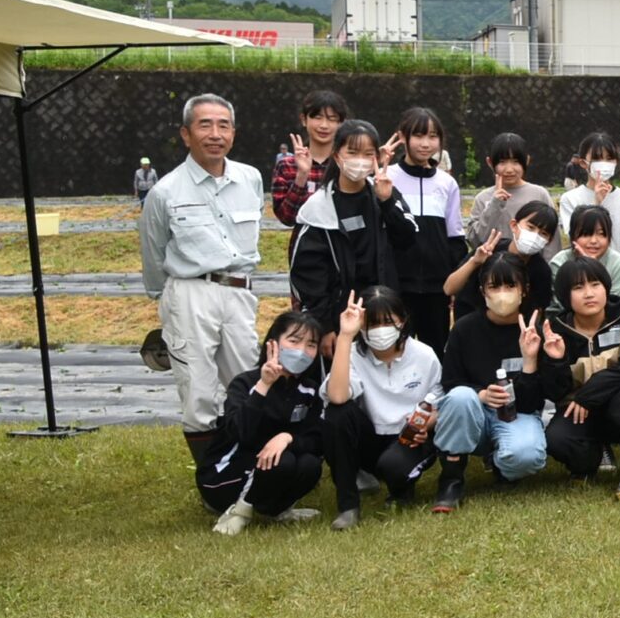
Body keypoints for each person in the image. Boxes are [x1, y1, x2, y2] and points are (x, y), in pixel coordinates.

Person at [139, 93, 265, 463]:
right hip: (190, 294)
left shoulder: (251, 178)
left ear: (233, 133)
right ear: (185, 134)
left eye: (223, 125)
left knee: (249, 380)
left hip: (239, 293)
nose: (215, 134)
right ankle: (214, 480)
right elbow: (153, 252)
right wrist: (167, 300)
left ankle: (251, 471)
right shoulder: (164, 192)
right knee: (198, 390)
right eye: (204, 125)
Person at [431, 255, 557, 512]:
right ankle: (451, 478)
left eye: (510, 286)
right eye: (494, 286)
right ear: (482, 291)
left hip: (516, 413)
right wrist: (481, 395)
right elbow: (451, 383)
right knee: (460, 397)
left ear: (524, 290)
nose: (502, 294)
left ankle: (502, 464)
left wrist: (529, 361)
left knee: (528, 456)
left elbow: (533, 402)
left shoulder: (534, 331)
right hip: (472, 414)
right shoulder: (464, 329)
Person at [323, 287, 443, 530]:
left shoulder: (424, 355)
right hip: (372, 436)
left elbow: (440, 404)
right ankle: (348, 506)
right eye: (373, 323)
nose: (381, 330)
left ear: (402, 321)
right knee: (337, 413)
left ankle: (401, 490)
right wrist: (345, 336)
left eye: (388, 322)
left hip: (410, 436)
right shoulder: (352, 354)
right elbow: (337, 396)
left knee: (394, 466)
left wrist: (427, 424)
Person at [197, 310, 326, 535]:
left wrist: (287, 438)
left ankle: (277, 511)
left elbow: (316, 439)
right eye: (294, 341)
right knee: (283, 461)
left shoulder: (310, 390)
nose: (302, 351)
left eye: (311, 345)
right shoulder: (246, 383)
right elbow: (240, 432)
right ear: (273, 343)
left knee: (310, 464)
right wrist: (264, 385)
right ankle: (239, 512)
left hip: (269, 468)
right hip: (223, 479)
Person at [287, 120, 418, 333]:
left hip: (385, 312)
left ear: (377, 158)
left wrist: (386, 203)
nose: (360, 161)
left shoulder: (384, 194)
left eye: (368, 154)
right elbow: (308, 275)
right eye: (353, 152)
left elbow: (408, 239)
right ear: (337, 155)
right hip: (340, 318)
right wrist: (325, 327)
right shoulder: (319, 208)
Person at [541, 256, 620, 498]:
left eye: (595, 284)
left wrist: (588, 394)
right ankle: (586, 464)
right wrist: (556, 360)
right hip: (579, 411)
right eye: (578, 287)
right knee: (556, 438)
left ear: (606, 287)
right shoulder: (556, 328)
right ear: (565, 295)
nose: (589, 294)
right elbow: (555, 392)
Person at [387, 107, 466, 352]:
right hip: (397, 285)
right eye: (418, 135)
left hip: (436, 288)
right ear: (403, 137)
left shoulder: (447, 183)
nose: (425, 144)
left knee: (436, 350)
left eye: (433, 136)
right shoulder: (387, 177)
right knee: (396, 349)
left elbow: (455, 237)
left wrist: (453, 283)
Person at [447, 200, 557, 320]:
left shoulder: (541, 271)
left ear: (549, 240)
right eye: (530, 228)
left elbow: (538, 312)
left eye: (543, 233)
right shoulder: (489, 250)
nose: (535, 236)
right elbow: (449, 288)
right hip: (470, 319)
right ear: (514, 225)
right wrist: (474, 262)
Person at [467, 132, 559, 256]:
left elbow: (552, 241)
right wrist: (495, 204)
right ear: (490, 162)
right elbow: (475, 240)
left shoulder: (539, 194)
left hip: (532, 265)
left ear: (526, 161)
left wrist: (550, 266)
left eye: (516, 162)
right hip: (493, 265)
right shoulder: (483, 198)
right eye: (502, 162)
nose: (509, 169)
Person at [270, 89, 349, 229]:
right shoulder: (287, 165)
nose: (324, 125)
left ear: (341, 123)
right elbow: (287, 218)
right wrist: (302, 176)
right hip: (305, 241)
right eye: (317, 117)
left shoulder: (347, 164)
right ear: (304, 120)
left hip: (344, 240)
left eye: (332, 119)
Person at [559, 131, 620, 253]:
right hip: (584, 264)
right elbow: (575, 239)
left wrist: (617, 264)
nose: (604, 163)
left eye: (609, 158)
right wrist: (596, 204)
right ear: (583, 163)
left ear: (616, 162)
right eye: (597, 158)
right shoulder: (569, 199)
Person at [549, 205, 620, 309]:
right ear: (573, 236)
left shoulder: (617, 262)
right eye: (586, 234)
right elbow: (562, 304)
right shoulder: (559, 263)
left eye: (601, 234)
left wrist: (593, 266)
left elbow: (613, 303)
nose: (594, 241)